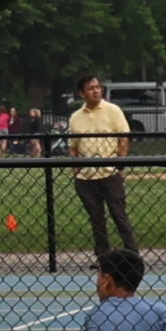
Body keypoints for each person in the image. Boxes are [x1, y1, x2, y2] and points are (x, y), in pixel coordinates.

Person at [64, 73, 134, 259]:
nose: (96, 91)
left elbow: (123, 138)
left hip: (110, 173)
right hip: (86, 178)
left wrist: (120, 166)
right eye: (90, 88)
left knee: (119, 215)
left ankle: (132, 253)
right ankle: (103, 257)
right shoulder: (75, 117)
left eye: (97, 87)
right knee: (97, 220)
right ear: (82, 93)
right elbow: (73, 147)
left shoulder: (113, 110)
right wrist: (76, 170)